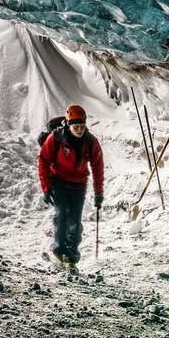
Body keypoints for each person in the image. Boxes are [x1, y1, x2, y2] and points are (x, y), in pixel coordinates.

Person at [38, 104, 104, 267]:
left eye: (82, 126)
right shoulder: (56, 138)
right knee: (61, 217)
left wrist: (98, 193)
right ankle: (59, 252)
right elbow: (44, 162)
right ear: (68, 125)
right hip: (58, 182)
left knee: (74, 221)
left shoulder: (90, 141)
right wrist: (46, 188)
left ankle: (72, 256)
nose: (80, 130)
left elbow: (98, 167)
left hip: (78, 185)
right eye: (76, 126)